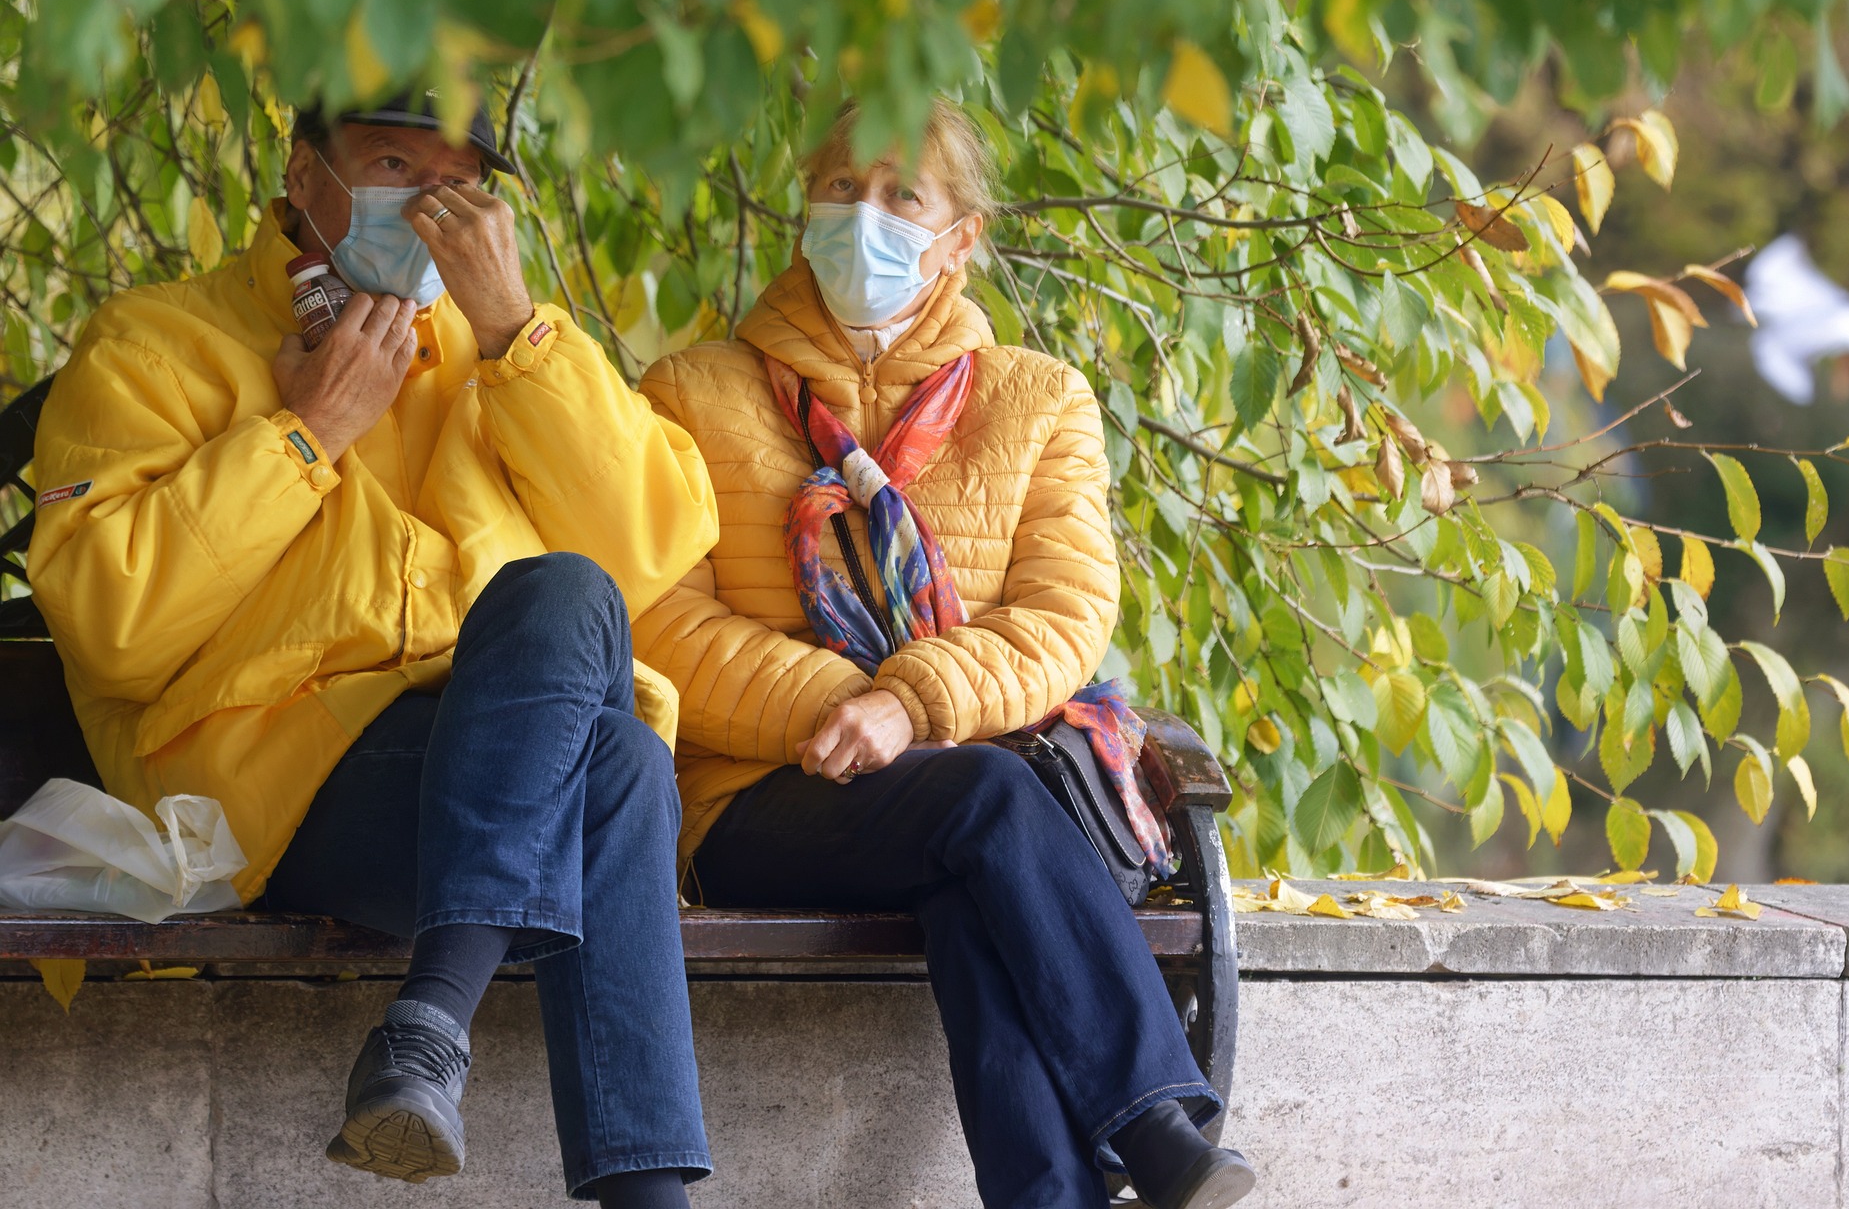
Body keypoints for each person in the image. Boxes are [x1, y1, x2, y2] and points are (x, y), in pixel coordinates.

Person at [28, 93, 717, 1208]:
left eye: (454, 180)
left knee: (579, 621)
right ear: (305, 177)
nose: (426, 202)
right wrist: (304, 437)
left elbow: (651, 545)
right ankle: (470, 1055)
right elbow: (113, 627)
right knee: (616, 768)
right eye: (392, 161)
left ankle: (429, 1030)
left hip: (488, 760)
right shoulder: (154, 341)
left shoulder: (499, 350)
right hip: (267, 784)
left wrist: (515, 336)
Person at [631, 99, 1258, 1209]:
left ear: (960, 236)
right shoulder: (691, 392)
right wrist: (849, 705)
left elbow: (1064, 619)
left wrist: (915, 706)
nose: (860, 216)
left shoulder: (1039, 402)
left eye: (898, 196)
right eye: (838, 189)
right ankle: (1155, 1121)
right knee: (983, 793)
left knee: (974, 874)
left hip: (967, 809)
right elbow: (657, 620)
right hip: (758, 800)